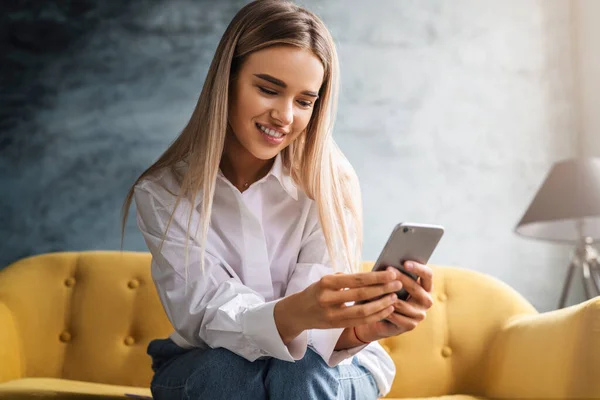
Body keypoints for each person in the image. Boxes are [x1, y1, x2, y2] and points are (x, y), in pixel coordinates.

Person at [121, 1, 434, 399]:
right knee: (227, 371)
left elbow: (320, 338)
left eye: (304, 101)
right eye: (269, 90)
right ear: (227, 81)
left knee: (300, 370)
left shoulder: (330, 181)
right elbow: (205, 316)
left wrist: (358, 329)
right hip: (210, 360)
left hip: (325, 363)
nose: (285, 116)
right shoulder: (164, 192)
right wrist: (295, 313)